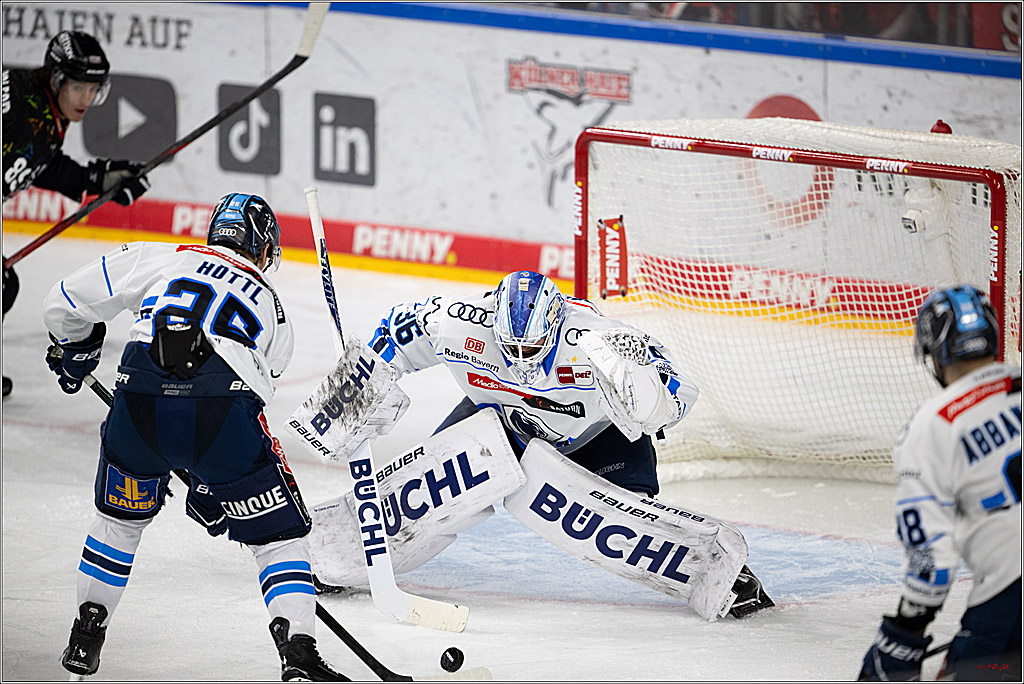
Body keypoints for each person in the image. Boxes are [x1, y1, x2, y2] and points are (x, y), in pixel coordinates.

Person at [43, 193, 348, 681]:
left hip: (138, 405)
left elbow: (62, 301)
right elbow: (252, 389)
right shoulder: (272, 306)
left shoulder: (161, 256)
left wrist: (78, 348)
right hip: (221, 416)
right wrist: (211, 482)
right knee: (277, 540)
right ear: (263, 247)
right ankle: (298, 652)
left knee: (119, 524)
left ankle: (86, 632)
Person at [363, 269, 774, 618]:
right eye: (511, 347)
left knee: (628, 520)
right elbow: (395, 330)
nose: (521, 359)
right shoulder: (457, 322)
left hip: (595, 437)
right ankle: (354, 550)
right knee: (424, 485)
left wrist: (649, 398)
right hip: (499, 420)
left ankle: (722, 576)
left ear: (555, 324)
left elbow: (680, 391)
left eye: (531, 347)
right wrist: (360, 388)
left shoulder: (600, 340)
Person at [858, 285, 1021, 682]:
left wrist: (906, 630)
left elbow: (931, 556)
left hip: (1010, 599)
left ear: (933, 352)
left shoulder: (931, 425)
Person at [3, 30, 151, 399]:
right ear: (56, 79)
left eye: (94, 89)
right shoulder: (21, 113)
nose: (86, 98)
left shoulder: (39, 103)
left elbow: (39, 162)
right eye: (79, 88)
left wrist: (95, 179)